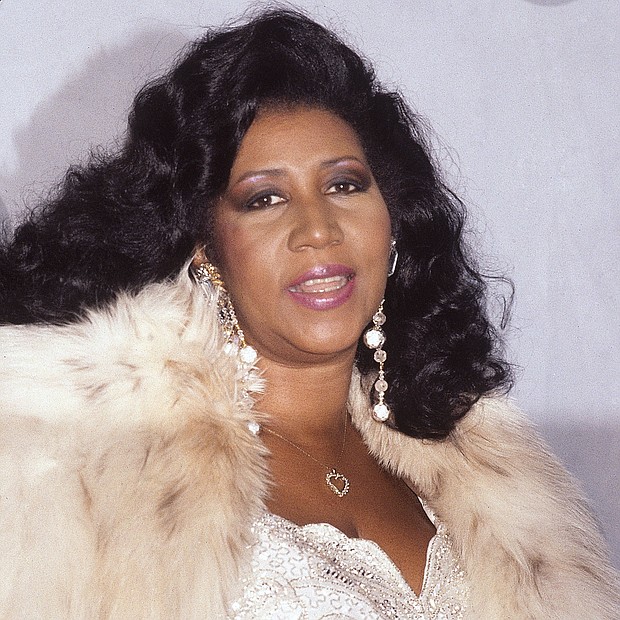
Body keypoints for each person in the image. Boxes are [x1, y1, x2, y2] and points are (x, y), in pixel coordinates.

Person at [0, 8, 618, 619]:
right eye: (264, 198)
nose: (317, 229)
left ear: (393, 220)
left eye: (345, 185)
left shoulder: (499, 476)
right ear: (204, 246)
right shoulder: (90, 469)